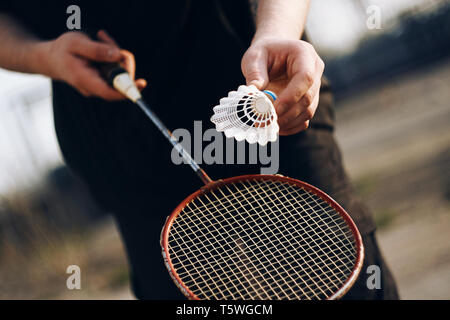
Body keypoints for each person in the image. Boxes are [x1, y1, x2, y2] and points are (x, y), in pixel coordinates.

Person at [0, 0, 398, 299]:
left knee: (343, 281)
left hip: (266, 99)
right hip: (122, 151)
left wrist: (279, 33)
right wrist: (44, 56)